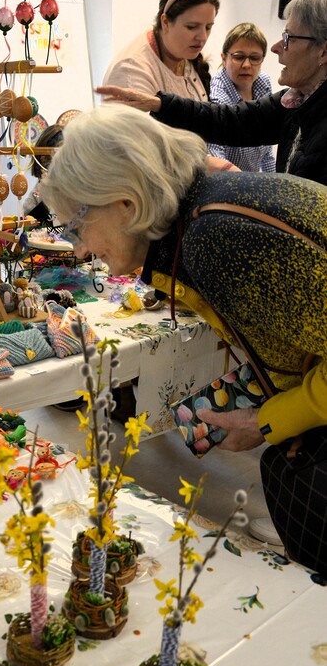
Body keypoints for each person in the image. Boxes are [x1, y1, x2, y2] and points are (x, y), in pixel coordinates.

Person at [39, 103, 327, 578]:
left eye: (77, 225)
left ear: (126, 203)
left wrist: (267, 421)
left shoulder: (215, 237)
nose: (81, 249)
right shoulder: (209, 209)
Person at [97, 0, 327, 186]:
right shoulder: (295, 101)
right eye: (192, 26)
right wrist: (160, 104)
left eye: (288, 38)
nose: (277, 47)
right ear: (165, 22)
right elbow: (230, 120)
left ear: (323, 52)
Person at [102, 0, 220, 101]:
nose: (203, 37)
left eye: (208, 27)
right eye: (191, 27)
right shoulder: (132, 71)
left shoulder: (184, 55)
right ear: (165, 22)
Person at [207, 22, 276, 172]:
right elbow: (217, 159)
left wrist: (275, 183)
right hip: (228, 181)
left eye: (255, 58)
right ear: (224, 58)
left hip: (252, 178)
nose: (246, 65)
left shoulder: (264, 83)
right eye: (239, 57)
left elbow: (267, 150)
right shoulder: (216, 96)